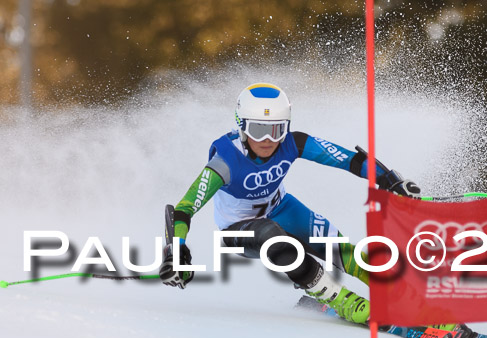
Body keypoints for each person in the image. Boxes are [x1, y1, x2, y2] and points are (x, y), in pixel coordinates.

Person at [158, 83, 421, 325]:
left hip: (281, 208)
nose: (268, 140)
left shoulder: (292, 143)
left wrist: (389, 180)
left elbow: (347, 159)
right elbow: (185, 208)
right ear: (242, 126)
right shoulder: (225, 162)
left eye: (277, 129)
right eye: (258, 130)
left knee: (337, 247)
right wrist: (176, 252)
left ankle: (399, 292)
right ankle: (341, 301)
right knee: (277, 240)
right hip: (238, 229)